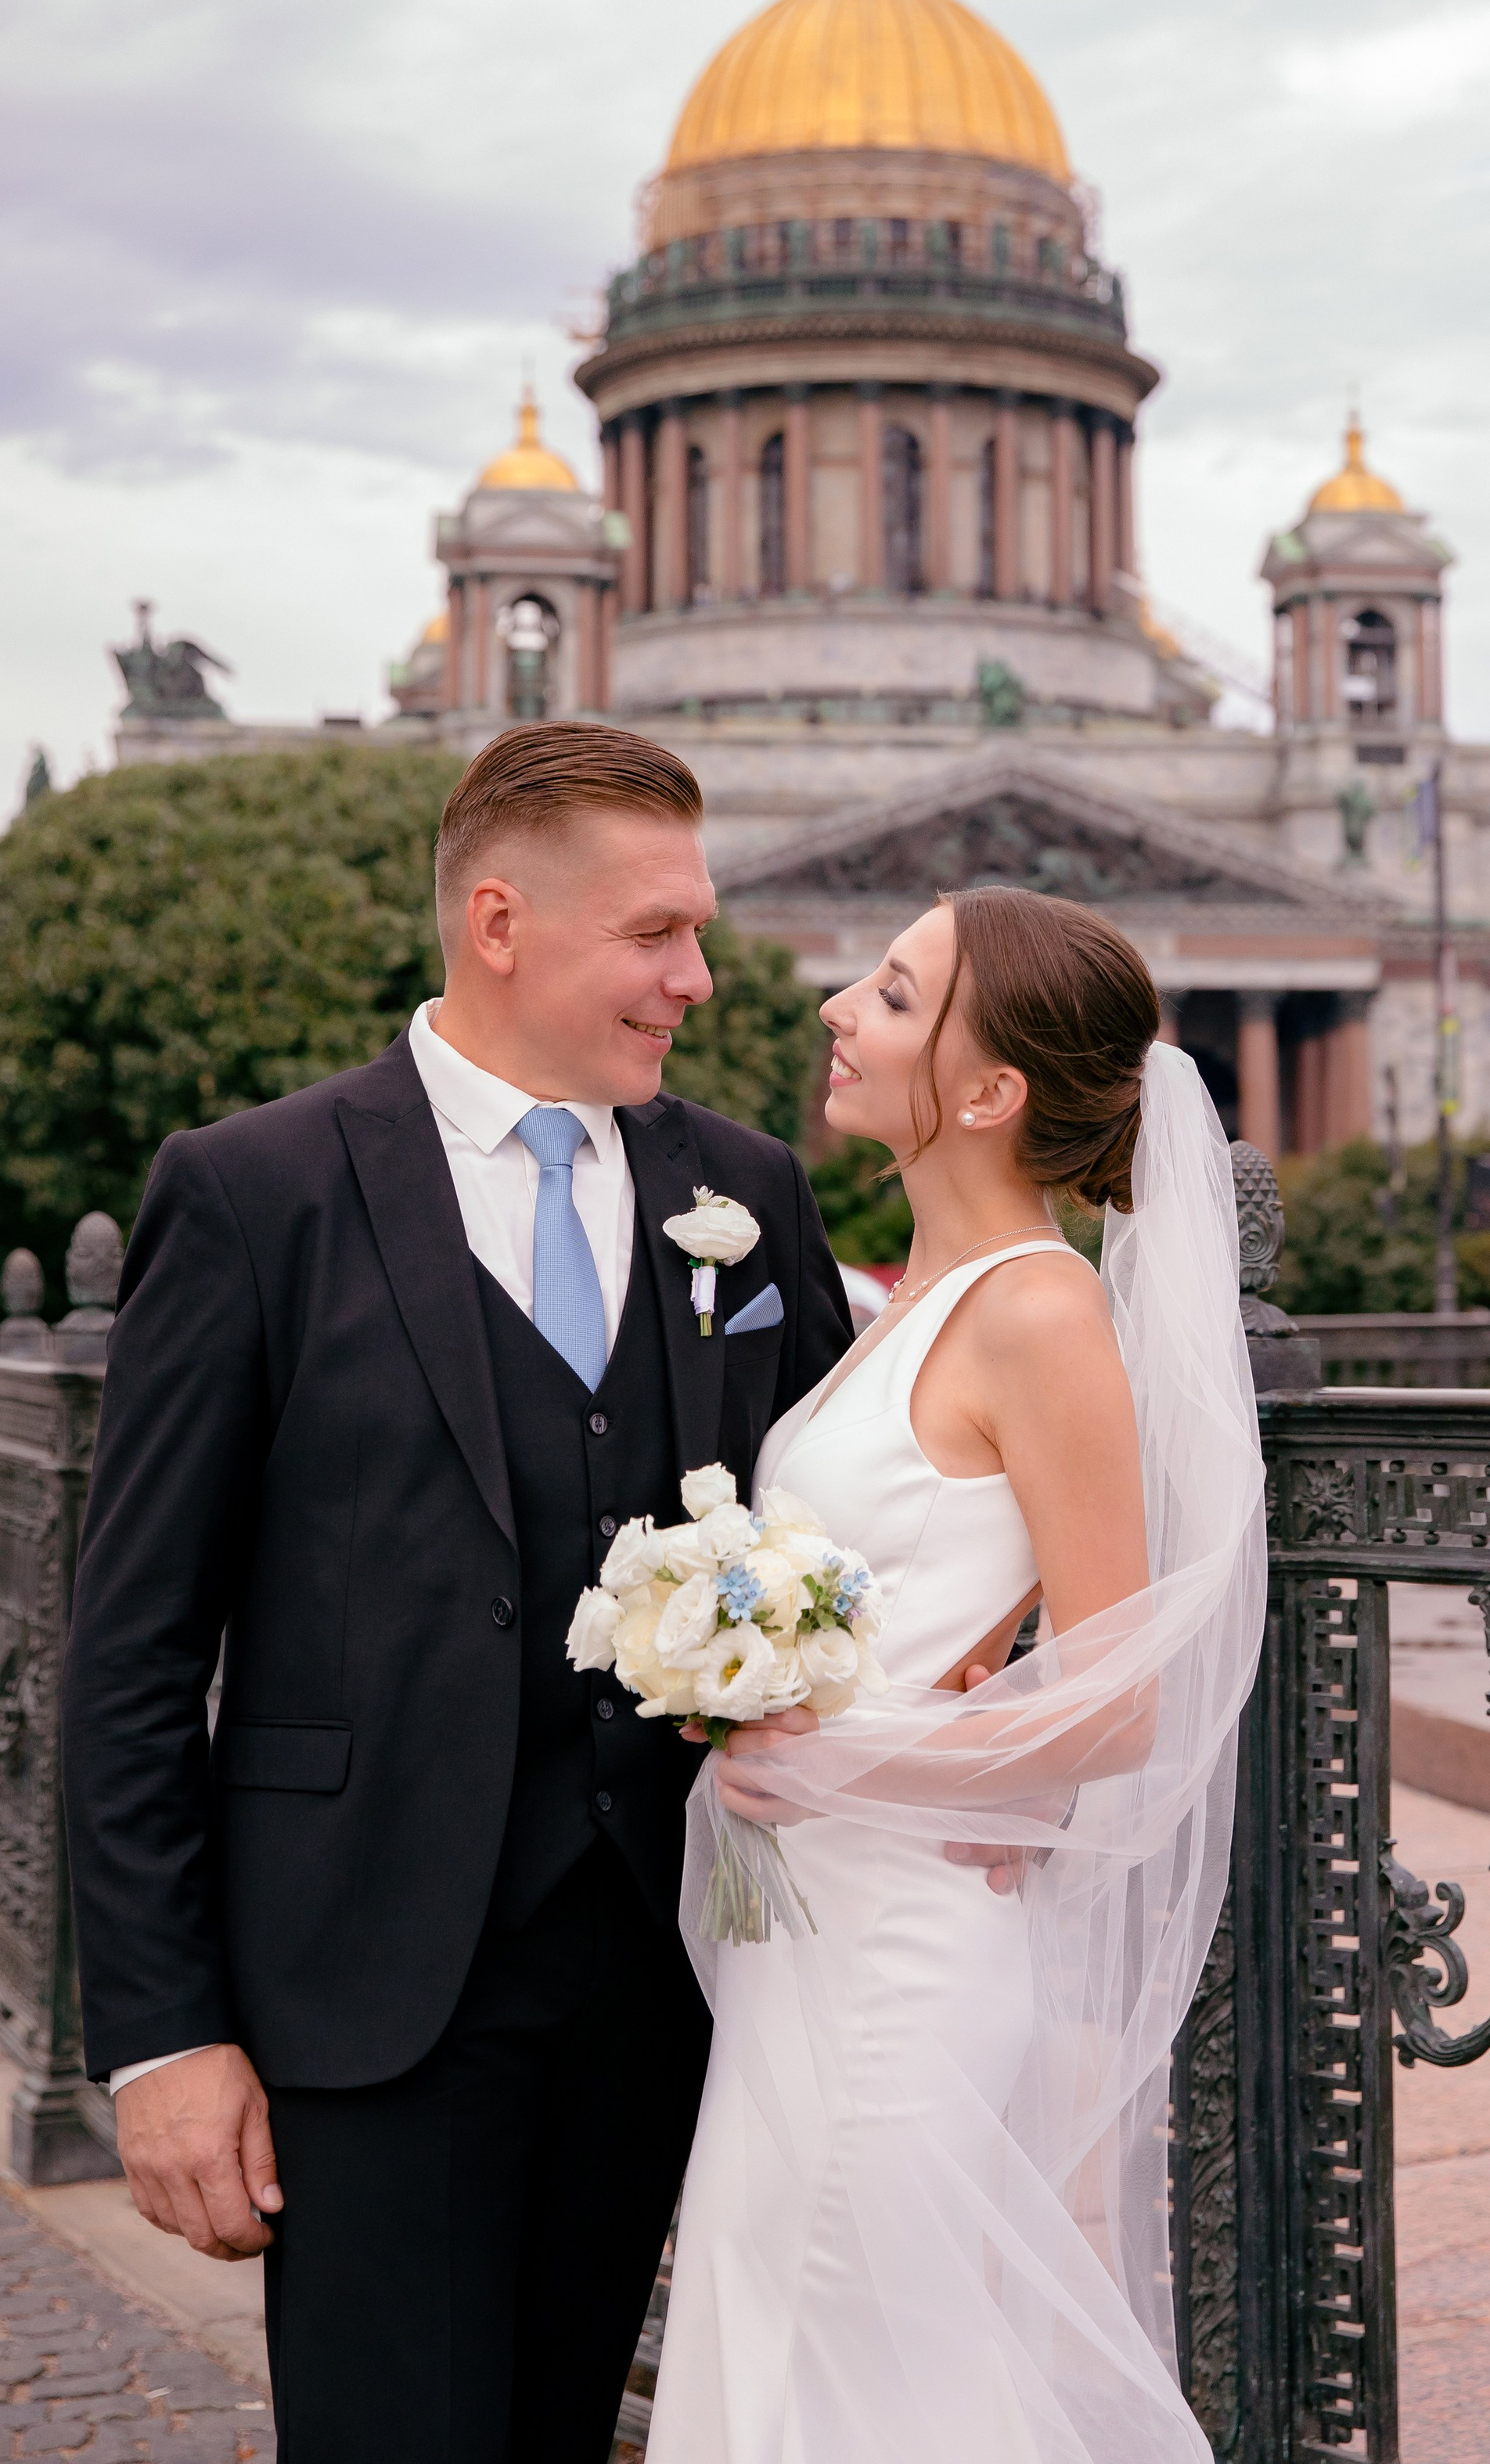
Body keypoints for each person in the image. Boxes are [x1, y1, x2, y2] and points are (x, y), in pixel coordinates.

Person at [59, 722, 852, 2464]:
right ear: (500, 922)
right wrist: (161, 2035)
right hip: (362, 1995)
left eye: (696, 932)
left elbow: (833, 1526)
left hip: (667, 1980)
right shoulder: (257, 1191)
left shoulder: (746, 1194)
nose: (698, 979)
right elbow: (128, 1649)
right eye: (656, 934)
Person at [651, 885, 1265, 2462]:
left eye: (896, 994)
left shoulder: (1038, 1310)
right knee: (781, 2331)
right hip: (820, 1929)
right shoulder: (897, 1304)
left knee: (861, 2368)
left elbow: (1122, 1696)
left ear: (988, 1093)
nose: (832, 1009)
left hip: (903, 1952)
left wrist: (830, 1759)